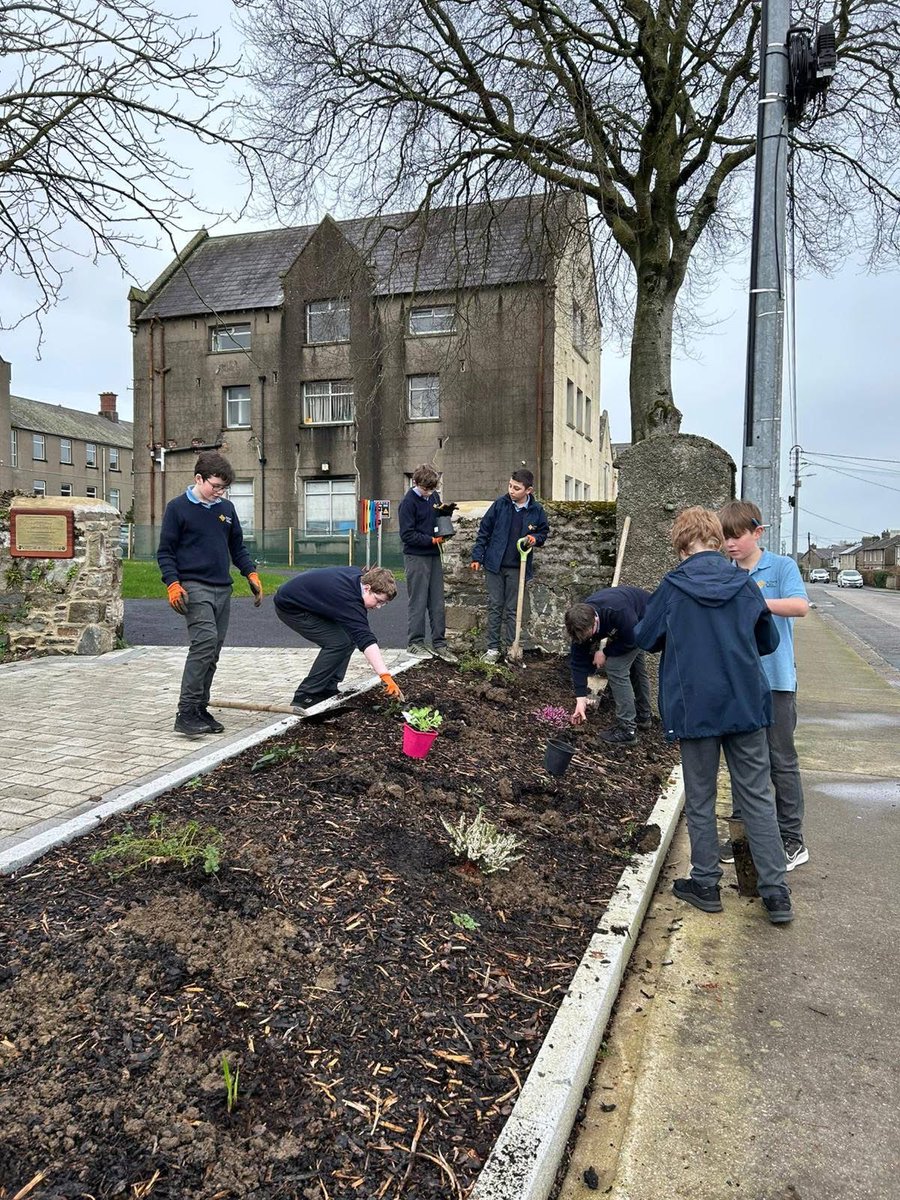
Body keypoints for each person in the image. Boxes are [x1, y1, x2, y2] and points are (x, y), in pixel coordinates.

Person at [634, 507, 793, 924]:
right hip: (744, 703)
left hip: (695, 706)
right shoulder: (743, 584)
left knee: (700, 797)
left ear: (682, 544)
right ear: (716, 539)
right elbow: (768, 640)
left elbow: (646, 638)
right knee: (757, 796)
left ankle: (706, 884)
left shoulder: (672, 587)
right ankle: (775, 893)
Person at [718, 500, 811, 870]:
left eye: (737, 536)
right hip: (738, 683)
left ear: (758, 532)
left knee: (781, 762)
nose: (730, 544)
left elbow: (800, 606)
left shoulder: (782, 567)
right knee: (744, 762)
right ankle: (744, 837)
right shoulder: (725, 573)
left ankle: (792, 840)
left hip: (775, 682)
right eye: (725, 537)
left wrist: (754, 601)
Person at [157, 451, 263, 737]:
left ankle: (201, 707)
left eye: (224, 487)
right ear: (199, 479)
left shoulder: (226, 509)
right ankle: (186, 711)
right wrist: (172, 583)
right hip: (193, 587)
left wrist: (250, 573)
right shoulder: (177, 508)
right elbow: (165, 551)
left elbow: (237, 547)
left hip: (222, 588)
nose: (220, 492)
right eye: (215, 486)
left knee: (212, 651)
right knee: (203, 644)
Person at [273, 565, 404, 708]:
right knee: (338, 642)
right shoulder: (349, 600)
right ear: (367, 588)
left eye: (384, 604)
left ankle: (328, 688)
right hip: (292, 607)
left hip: (312, 603)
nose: (379, 607)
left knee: (349, 638)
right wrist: (385, 675)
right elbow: (365, 638)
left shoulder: (359, 580)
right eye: (378, 601)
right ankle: (305, 695)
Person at [469, 469, 549, 661]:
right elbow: (484, 531)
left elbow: (543, 533)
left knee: (513, 609)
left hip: (518, 567)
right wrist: (477, 557)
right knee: (495, 606)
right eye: (510, 486)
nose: (511, 491)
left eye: (516, 488)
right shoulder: (500, 505)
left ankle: (511, 648)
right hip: (494, 565)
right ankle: (493, 649)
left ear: (528, 490)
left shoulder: (536, 511)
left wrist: (534, 538)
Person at [565, 587, 653, 744]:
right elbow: (577, 662)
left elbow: (631, 640)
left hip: (647, 619)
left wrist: (605, 652)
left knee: (615, 666)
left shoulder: (616, 611)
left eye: (588, 635)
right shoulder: (579, 623)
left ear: (595, 622)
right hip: (629, 626)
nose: (585, 639)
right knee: (635, 667)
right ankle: (643, 716)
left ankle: (627, 729)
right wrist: (580, 699)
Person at [398, 463, 458, 663]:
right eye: (426, 489)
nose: (429, 493)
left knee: (437, 600)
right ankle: (415, 643)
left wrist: (446, 515)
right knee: (419, 600)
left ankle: (439, 643)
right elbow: (407, 535)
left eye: (433, 489)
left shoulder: (433, 497)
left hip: (434, 554)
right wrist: (430, 540)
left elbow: (437, 518)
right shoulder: (408, 503)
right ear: (415, 483)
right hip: (416, 556)